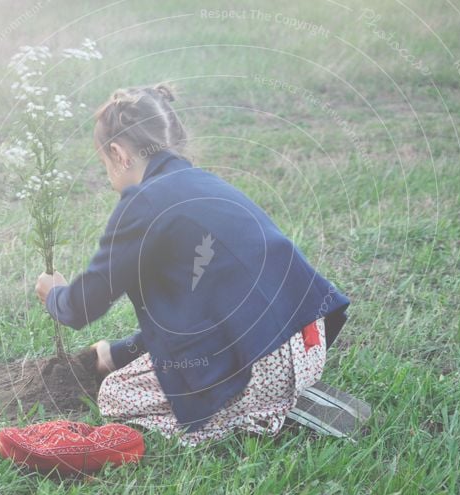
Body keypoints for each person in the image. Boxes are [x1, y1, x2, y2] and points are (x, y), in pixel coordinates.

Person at [34, 83, 353, 446]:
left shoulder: (144, 203)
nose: (109, 179)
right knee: (162, 365)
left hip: (265, 363)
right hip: (308, 344)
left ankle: (256, 412)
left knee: (115, 393)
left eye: (104, 163)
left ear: (119, 153)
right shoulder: (206, 184)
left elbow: (82, 305)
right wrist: (116, 352)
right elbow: (200, 315)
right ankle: (277, 396)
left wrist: (54, 295)